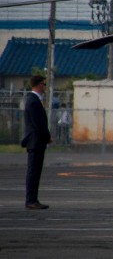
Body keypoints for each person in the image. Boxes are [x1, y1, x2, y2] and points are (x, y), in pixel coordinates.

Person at [21, 75, 52, 210]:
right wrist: (47, 137)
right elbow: (38, 124)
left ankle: (33, 199)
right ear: (39, 85)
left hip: (37, 142)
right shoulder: (33, 101)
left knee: (35, 172)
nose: (45, 87)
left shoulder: (34, 100)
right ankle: (31, 200)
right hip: (35, 142)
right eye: (44, 84)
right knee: (33, 172)